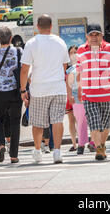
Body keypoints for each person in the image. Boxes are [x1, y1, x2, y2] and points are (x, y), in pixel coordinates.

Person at [20, 14, 71, 164]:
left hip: (39, 88)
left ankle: (37, 151)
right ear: (51, 26)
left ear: (37, 26)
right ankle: (57, 152)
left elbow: (24, 69)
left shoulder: (31, 43)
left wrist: (23, 90)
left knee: (38, 122)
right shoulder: (60, 42)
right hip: (58, 87)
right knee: (57, 121)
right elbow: (65, 65)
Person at [76, 23, 110, 161]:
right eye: (91, 34)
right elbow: (79, 72)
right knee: (95, 124)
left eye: (97, 34)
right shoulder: (80, 50)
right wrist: (80, 89)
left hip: (108, 94)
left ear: (102, 35)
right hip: (89, 95)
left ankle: (102, 144)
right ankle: (99, 150)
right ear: (87, 36)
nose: (94, 37)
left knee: (106, 125)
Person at [0, 26, 23, 164]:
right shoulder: (18, 51)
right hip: (15, 91)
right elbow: (23, 70)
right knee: (15, 122)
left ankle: (1, 145)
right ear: (11, 38)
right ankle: (14, 156)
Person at [66, 45, 78, 152]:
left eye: (75, 52)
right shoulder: (67, 68)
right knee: (71, 120)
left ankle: (83, 141)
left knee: (81, 120)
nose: (73, 54)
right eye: (71, 52)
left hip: (79, 94)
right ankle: (74, 143)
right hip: (70, 95)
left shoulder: (82, 65)